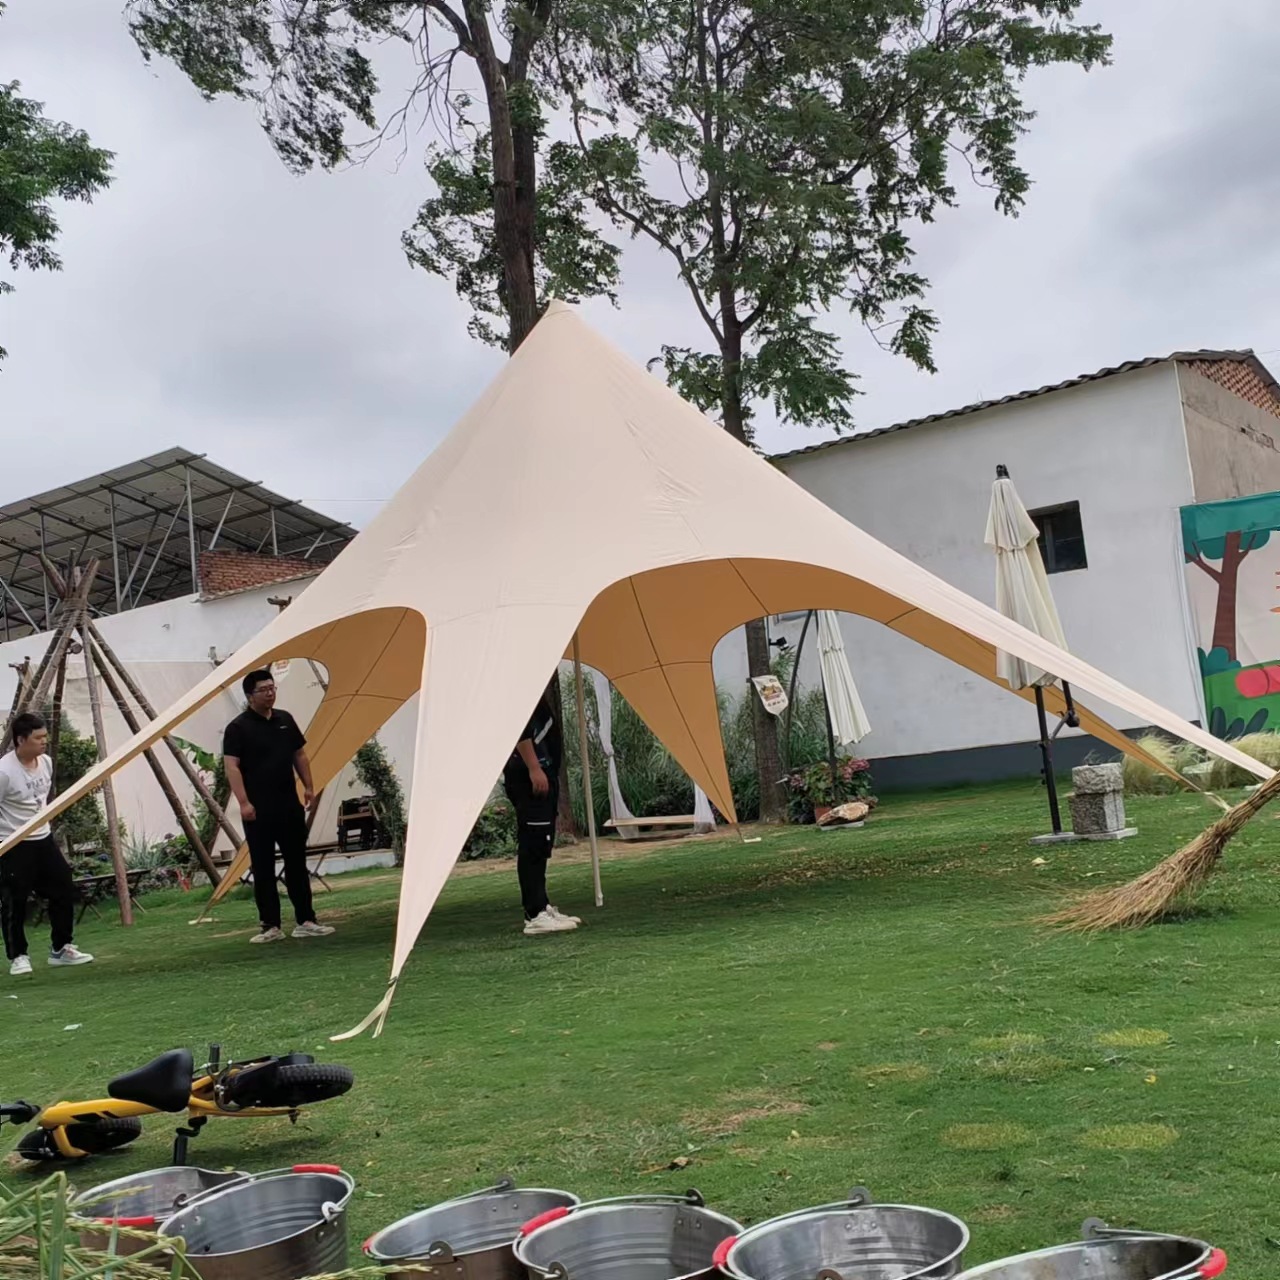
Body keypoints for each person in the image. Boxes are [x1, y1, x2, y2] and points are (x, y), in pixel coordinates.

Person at [223, 670, 334, 944]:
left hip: (288, 804)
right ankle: (270, 925)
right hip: (257, 809)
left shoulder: (285, 719)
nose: (270, 693)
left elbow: (299, 754)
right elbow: (232, 767)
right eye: (264, 690)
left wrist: (309, 787)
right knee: (263, 866)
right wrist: (244, 802)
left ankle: (306, 920)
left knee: (296, 862)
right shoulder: (238, 728)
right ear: (250, 696)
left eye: (272, 688)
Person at [0, 713, 94, 976]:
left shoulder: (46, 763)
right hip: (13, 842)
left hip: (42, 837)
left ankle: (61, 948)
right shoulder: (4, 772)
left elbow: (41, 800)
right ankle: (18, 956)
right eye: (38, 737)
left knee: (63, 887)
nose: (44, 741)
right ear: (21, 740)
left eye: (45, 736)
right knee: (15, 900)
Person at [503, 686, 580, 936]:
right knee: (533, 843)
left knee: (542, 842)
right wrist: (534, 767)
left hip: (544, 770)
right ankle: (534, 913)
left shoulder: (533, 688)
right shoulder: (517, 687)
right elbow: (518, 727)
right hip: (529, 774)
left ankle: (542, 904)